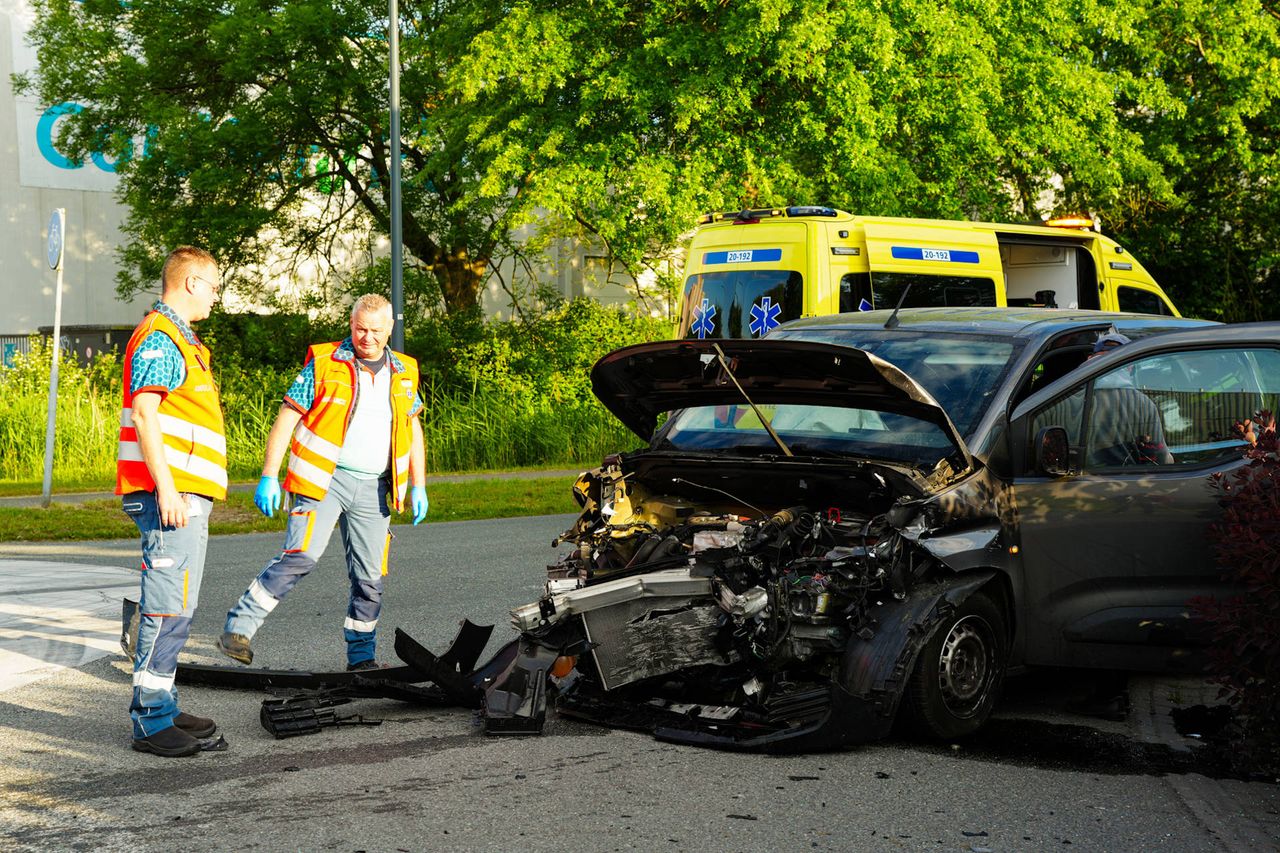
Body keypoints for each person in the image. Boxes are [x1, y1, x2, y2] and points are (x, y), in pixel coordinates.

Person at [218, 294, 429, 671]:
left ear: (389, 329)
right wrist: (269, 475)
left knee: (370, 577)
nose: (367, 337)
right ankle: (238, 629)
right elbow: (287, 416)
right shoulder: (324, 362)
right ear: (351, 324)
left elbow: (412, 428)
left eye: (376, 331)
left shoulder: (405, 371)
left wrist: (419, 484)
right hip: (323, 481)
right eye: (360, 328)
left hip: (376, 488)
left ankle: (361, 659)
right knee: (301, 557)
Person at [116, 246, 226, 757]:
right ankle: (151, 721)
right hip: (170, 496)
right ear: (190, 283)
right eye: (213, 286)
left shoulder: (180, 341)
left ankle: (165, 703)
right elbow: (144, 414)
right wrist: (167, 489)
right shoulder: (161, 338)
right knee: (164, 609)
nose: (216, 295)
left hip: (181, 494)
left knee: (177, 607)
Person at [1084, 332, 1174, 466]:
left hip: (1076, 480)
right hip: (1128, 481)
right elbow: (1162, 459)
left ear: (1090, 359)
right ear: (1130, 367)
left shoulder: (1069, 397)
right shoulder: (1144, 404)